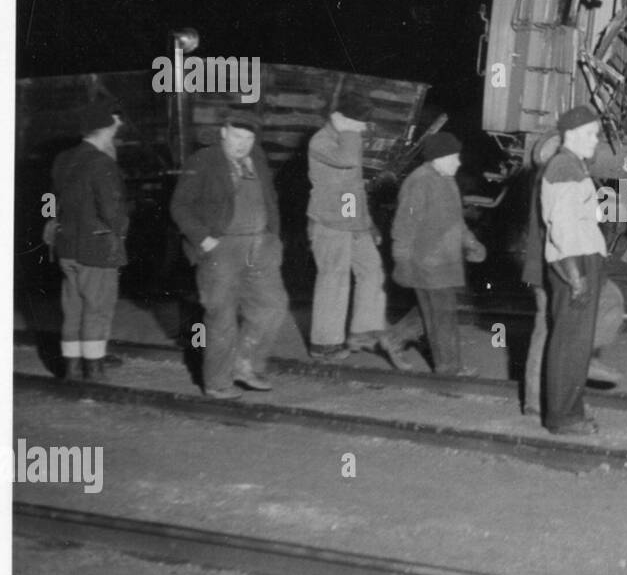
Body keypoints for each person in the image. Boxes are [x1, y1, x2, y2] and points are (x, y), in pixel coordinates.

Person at [170, 110, 289, 398]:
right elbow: (180, 206)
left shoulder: (257, 158)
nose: (242, 144)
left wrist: (274, 238)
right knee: (221, 316)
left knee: (272, 305)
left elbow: (269, 199)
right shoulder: (204, 160)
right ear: (223, 132)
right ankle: (217, 382)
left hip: (260, 247)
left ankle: (245, 364)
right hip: (221, 249)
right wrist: (204, 239)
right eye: (237, 136)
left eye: (249, 138)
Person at [521, 132, 623, 416]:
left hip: (544, 269)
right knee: (605, 305)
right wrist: (575, 275)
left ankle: (535, 400)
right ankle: (580, 363)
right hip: (560, 268)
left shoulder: (548, 178)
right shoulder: (559, 178)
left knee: (546, 331)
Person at [379, 130, 487, 378]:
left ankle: (393, 338)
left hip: (445, 260)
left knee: (432, 309)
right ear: (438, 158)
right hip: (427, 261)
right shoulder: (419, 182)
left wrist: (470, 242)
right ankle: (448, 370)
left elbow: (456, 221)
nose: (458, 162)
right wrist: (402, 260)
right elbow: (403, 225)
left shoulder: (446, 179)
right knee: (443, 313)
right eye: (454, 157)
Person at [51, 99, 128, 382]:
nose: (116, 129)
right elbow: (113, 211)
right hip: (96, 249)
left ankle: (72, 369)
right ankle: (94, 372)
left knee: (73, 308)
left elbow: (56, 202)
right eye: (113, 124)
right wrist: (121, 231)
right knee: (97, 309)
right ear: (104, 128)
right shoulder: (101, 162)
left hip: (66, 247)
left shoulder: (63, 159)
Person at [540, 104, 606, 435]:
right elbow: (562, 225)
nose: (596, 141)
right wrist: (576, 277)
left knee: (577, 341)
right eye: (592, 134)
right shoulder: (565, 166)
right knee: (570, 342)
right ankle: (563, 416)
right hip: (575, 261)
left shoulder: (572, 165)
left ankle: (571, 409)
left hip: (582, 258)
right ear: (572, 135)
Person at [307, 92, 386, 361]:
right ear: (340, 118)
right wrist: (348, 131)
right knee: (334, 279)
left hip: (351, 220)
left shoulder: (348, 137)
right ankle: (323, 343)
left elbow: (354, 187)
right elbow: (348, 161)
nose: (363, 129)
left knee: (372, 269)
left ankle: (361, 333)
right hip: (329, 222)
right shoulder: (321, 141)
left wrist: (367, 224)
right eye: (359, 123)